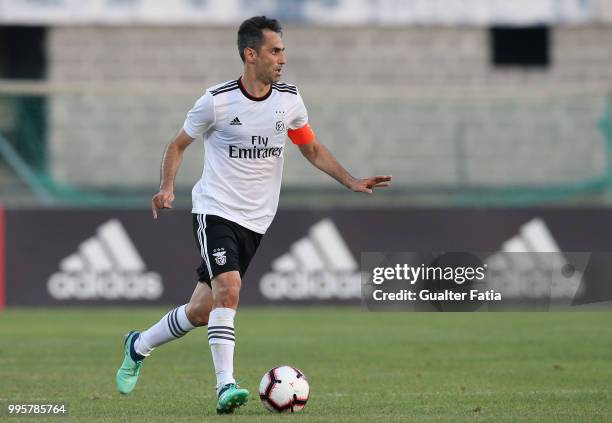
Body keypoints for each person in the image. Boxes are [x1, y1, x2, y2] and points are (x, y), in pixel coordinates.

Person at [116, 15, 391, 414]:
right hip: (215, 210)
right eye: (274, 51)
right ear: (250, 54)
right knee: (229, 291)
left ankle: (137, 345)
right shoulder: (217, 100)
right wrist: (166, 187)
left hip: (257, 220)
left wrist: (350, 181)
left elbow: (310, 148)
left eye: (283, 51)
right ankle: (225, 386)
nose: (282, 59)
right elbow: (177, 145)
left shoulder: (289, 100)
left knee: (202, 309)